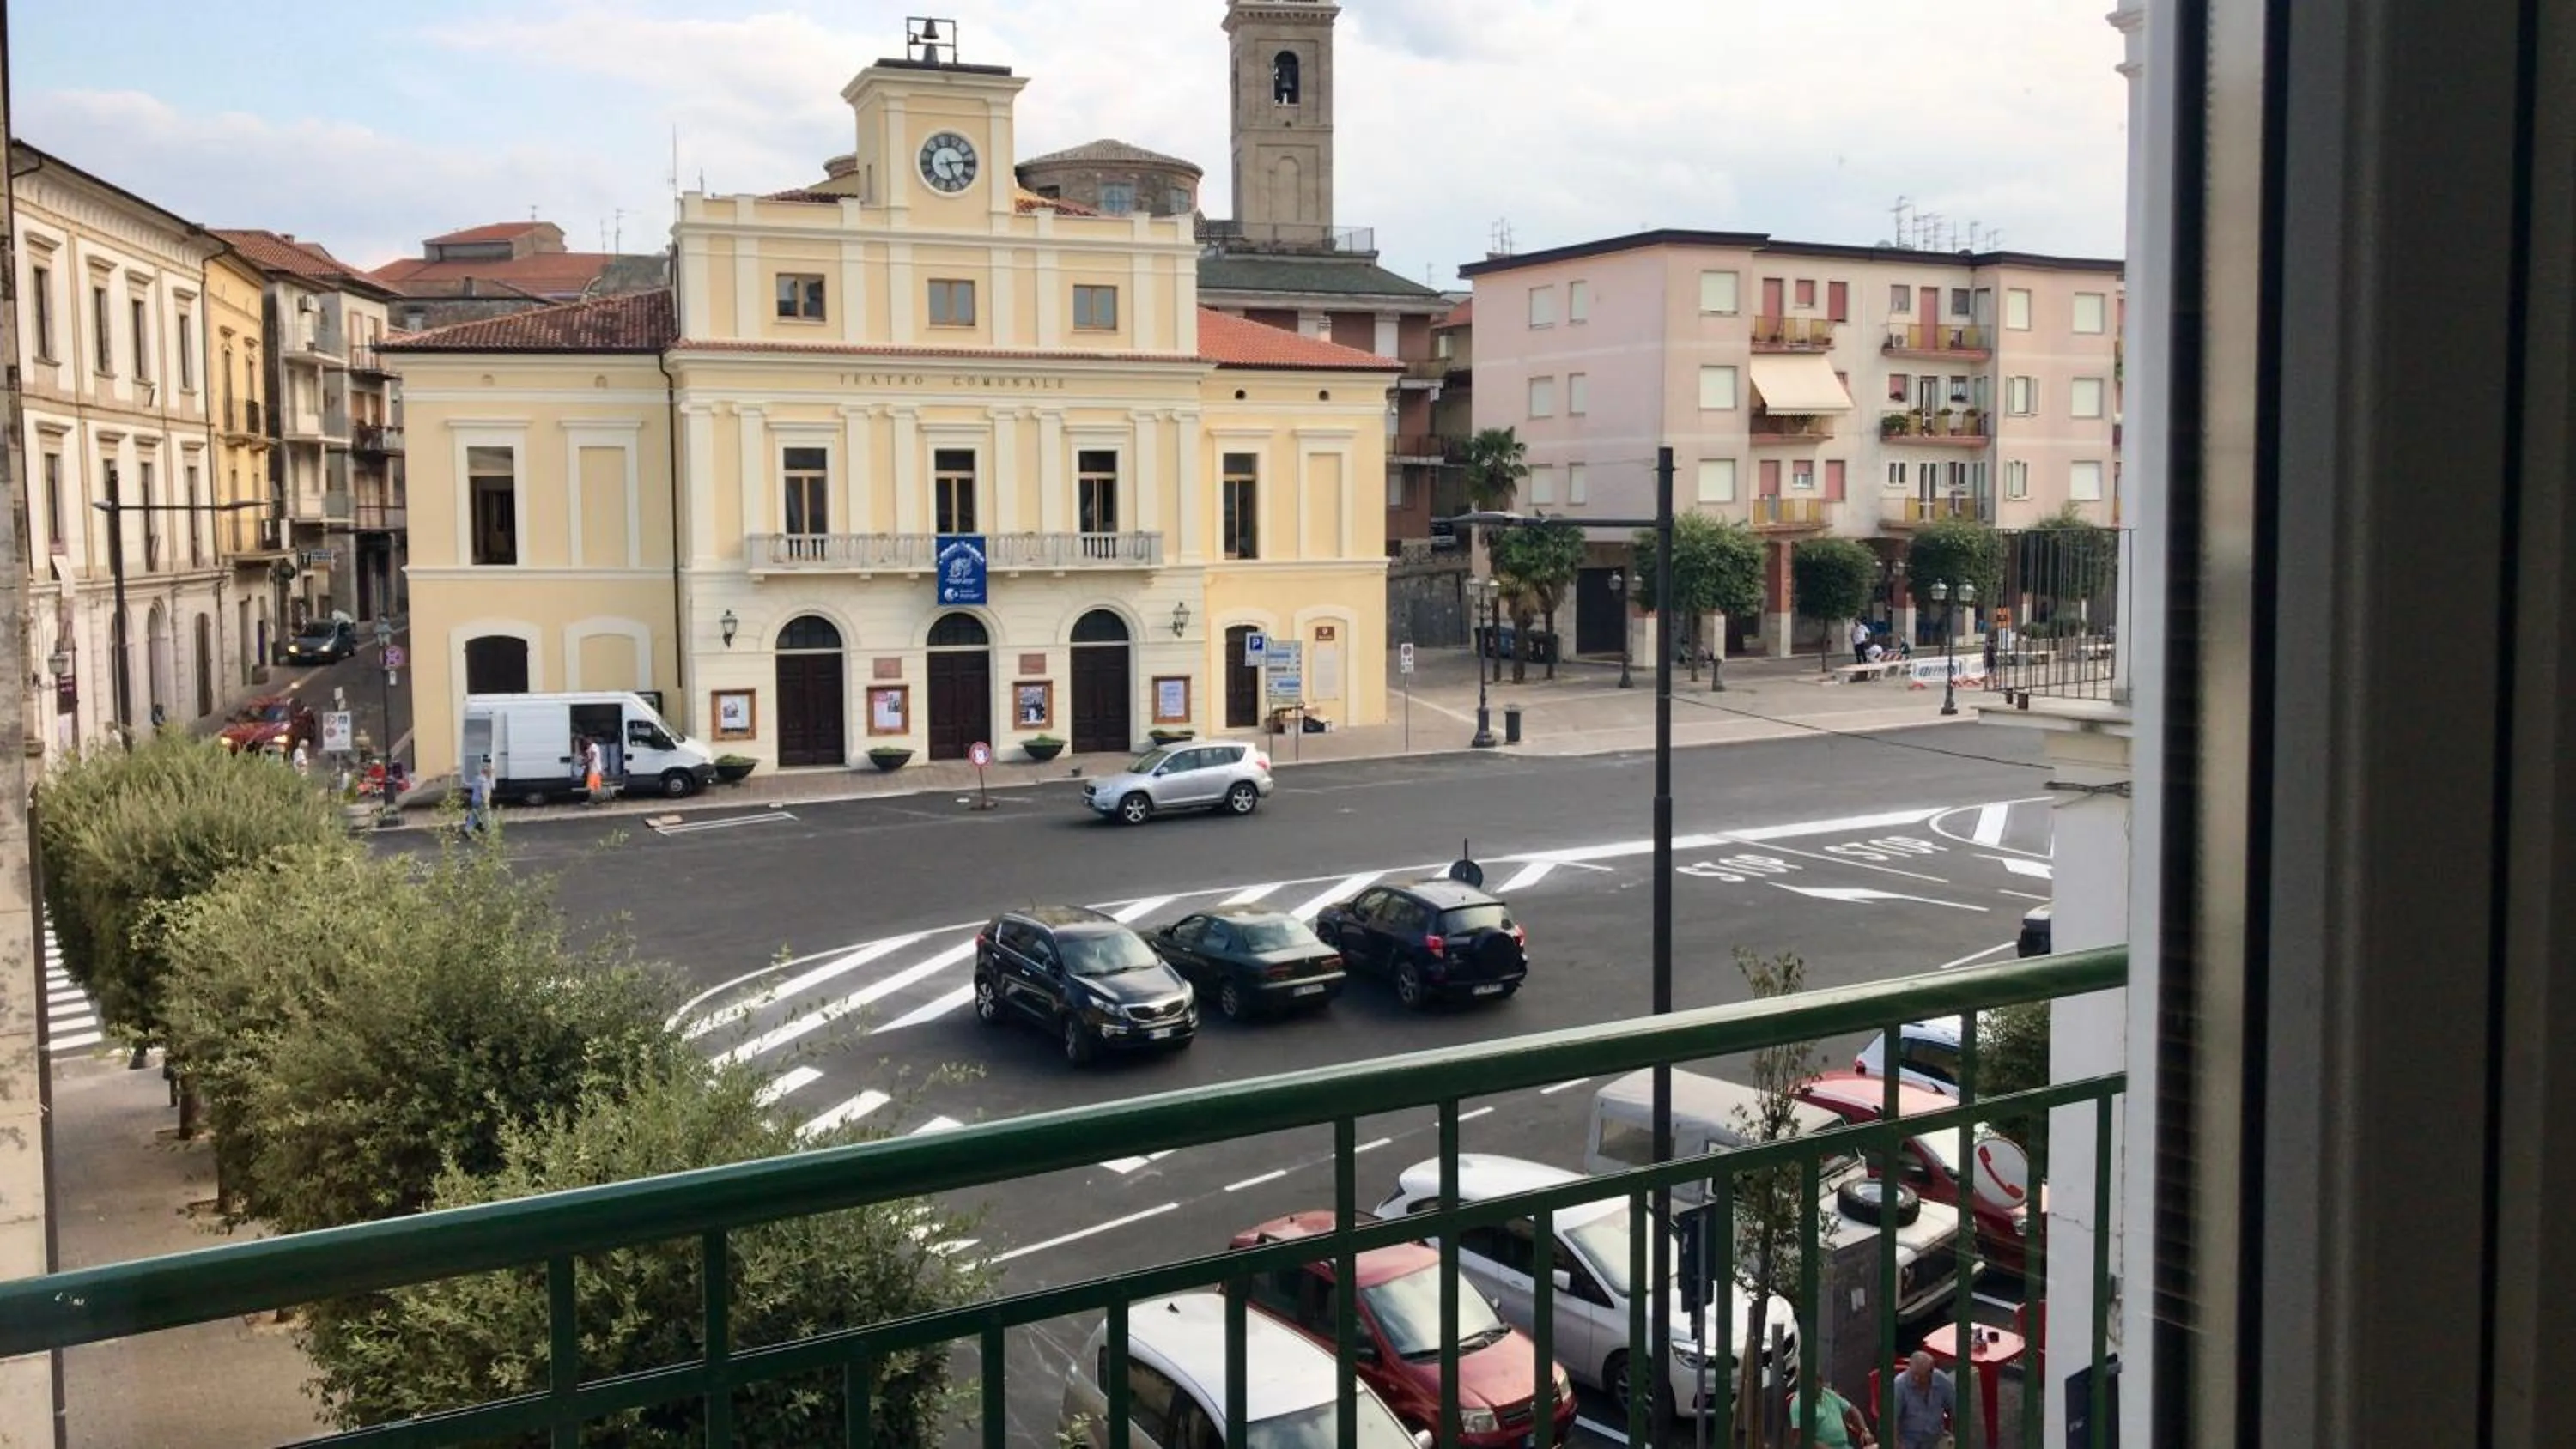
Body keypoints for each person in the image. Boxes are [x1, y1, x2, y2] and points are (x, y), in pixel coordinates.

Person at [1893, 1351, 1956, 1449]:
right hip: (1908, 1441)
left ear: (1931, 1372)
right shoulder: (1899, 1385)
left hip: (1936, 1438)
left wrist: (1955, 1434)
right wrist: (1897, 1444)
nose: (1916, 1379)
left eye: (1921, 1376)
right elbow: (1891, 1420)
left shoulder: (1941, 1380)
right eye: (1913, 1374)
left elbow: (1956, 1408)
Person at [1788, 1381, 1876, 1448]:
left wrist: (1865, 1431)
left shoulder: (1827, 1393)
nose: (1820, 1383)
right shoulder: (1798, 1403)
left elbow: (1852, 1409)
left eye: (1819, 1379)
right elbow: (1801, 1439)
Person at [465, 755, 494, 835]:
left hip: (474, 800)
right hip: (481, 801)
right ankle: (488, 830)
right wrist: (486, 803)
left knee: (474, 816)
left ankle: (468, 829)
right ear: (487, 772)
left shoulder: (477, 778)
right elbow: (485, 793)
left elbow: (473, 788)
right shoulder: (484, 781)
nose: (491, 773)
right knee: (486, 816)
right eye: (490, 772)